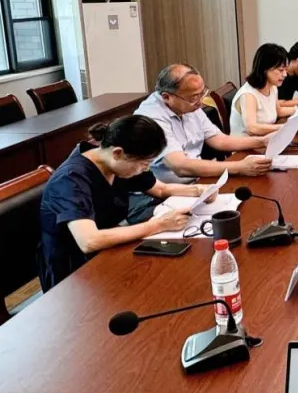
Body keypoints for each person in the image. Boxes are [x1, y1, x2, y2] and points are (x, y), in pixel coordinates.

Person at [37, 116, 213, 291]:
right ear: (117, 153)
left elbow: (160, 189)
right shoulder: (71, 179)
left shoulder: (117, 163)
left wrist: (198, 190)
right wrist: (159, 225)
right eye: (144, 164)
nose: (145, 169)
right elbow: (89, 240)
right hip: (75, 272)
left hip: (112, 250)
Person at [135, 63, 274, 184]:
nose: (200, 101)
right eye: (193, 97)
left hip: (198, 179)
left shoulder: (188, 104)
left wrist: (263, 141)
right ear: (167, 97)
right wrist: (240, 167)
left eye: (202, 93)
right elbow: (181, 167)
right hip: (166, 192)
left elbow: (219, 140)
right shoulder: (152, 117)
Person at [231, 43, 298, 137]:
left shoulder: (272, 87)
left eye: (285, 70)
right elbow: (252, 128)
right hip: (245, 144)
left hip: (265, 139)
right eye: (281, 70)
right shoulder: (248, 94)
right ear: (265, 69)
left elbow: (278, 111)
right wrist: (285, 127)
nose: (285, 74)